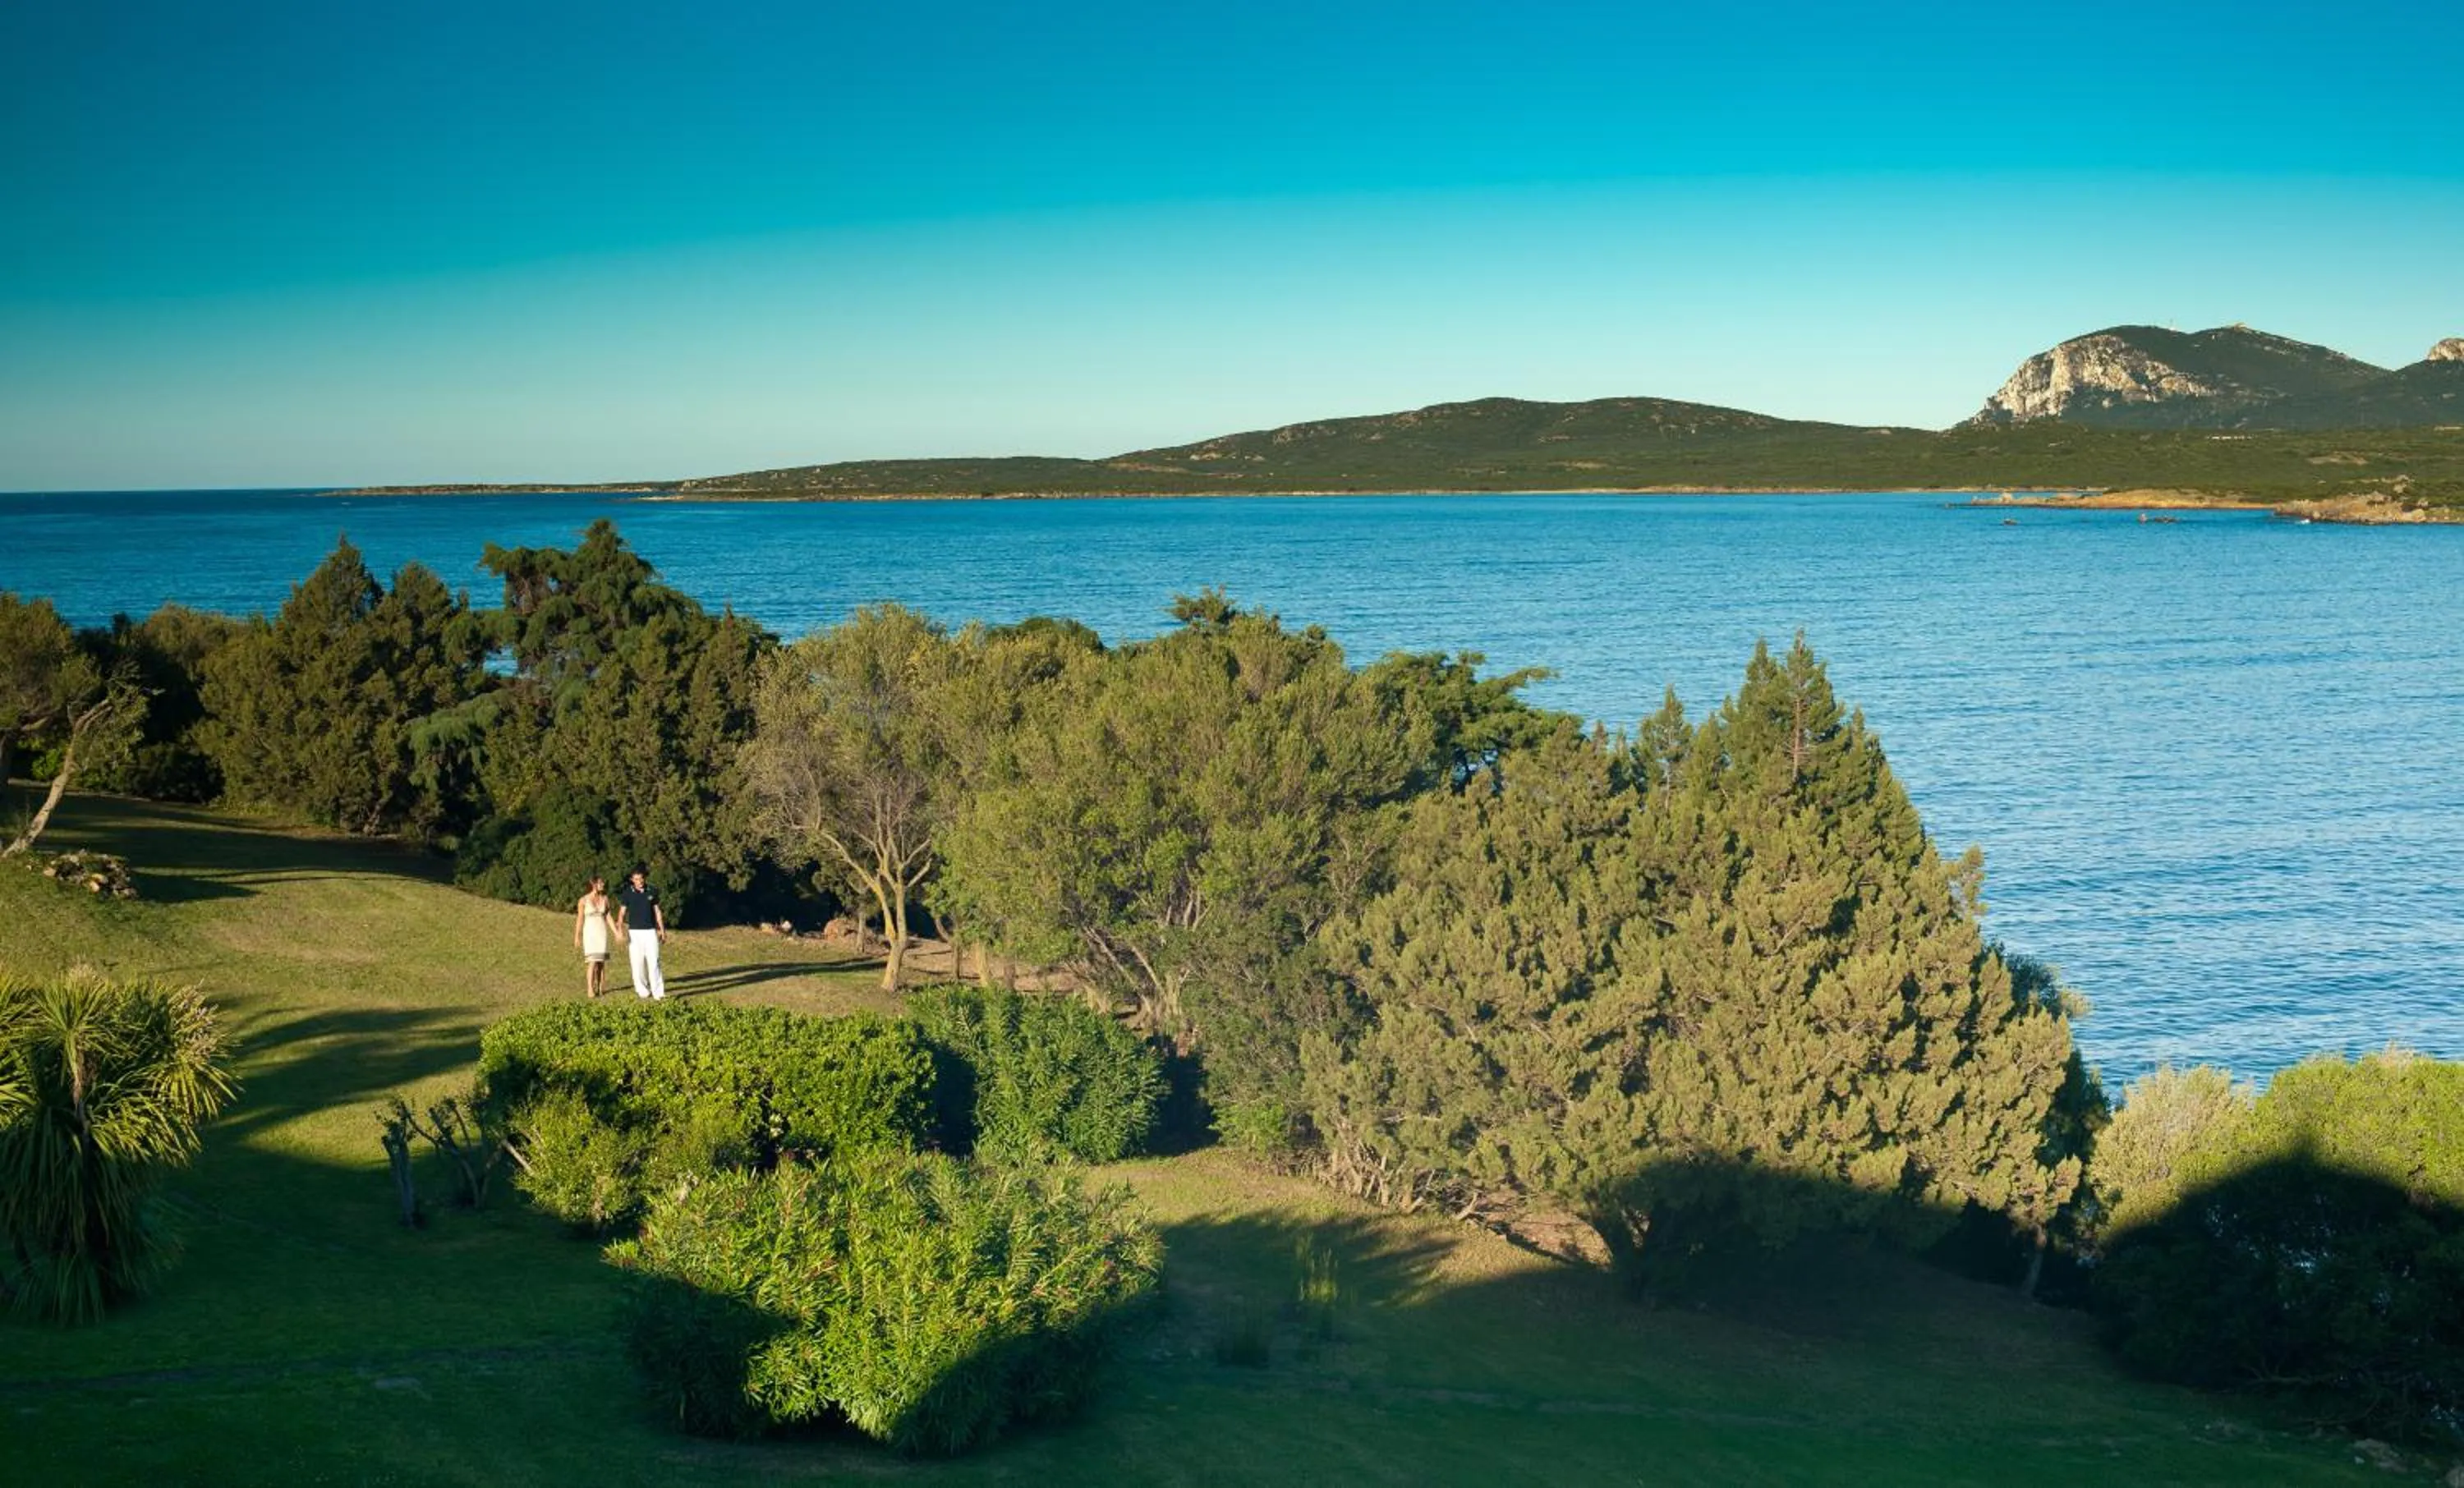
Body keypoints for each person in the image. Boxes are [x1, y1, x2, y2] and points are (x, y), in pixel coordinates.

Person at [615, 866, 668, 1000]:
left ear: (645, 878)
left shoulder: (652, 891)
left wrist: (662, 930)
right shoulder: (627, 893)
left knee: (654, 962)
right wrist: (619, 931)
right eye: (636, 879)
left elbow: (657, 912)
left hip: (650, 932)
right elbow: (621, 913)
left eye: (641, 878)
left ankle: (659, 993)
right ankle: (642, 990)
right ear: (632, 880)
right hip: (634, 933)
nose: (640, 881)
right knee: (637, 963)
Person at [572, 875, 614, 999]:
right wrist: (577, 936)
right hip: (590, 933)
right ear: (594, 884)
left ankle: (601, 987)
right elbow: (580, 919)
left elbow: (608, 917)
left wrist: (616, 932)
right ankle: (590, 989)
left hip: (602, 932)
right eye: (601, 883)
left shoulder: (605, 899)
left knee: (601, 962)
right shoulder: (583, 901)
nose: (603, 885)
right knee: (592, 961)